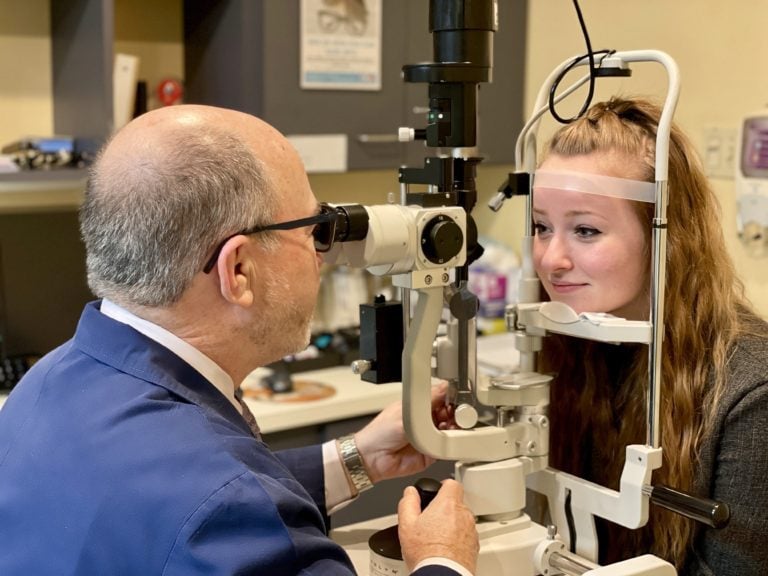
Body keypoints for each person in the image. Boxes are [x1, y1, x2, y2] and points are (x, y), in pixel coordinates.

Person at [0, 105, 479, 575]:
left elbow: (177, 504)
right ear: (239, 270)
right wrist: (443, 558)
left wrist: (356, 458)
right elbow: (221, 505)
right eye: (314, 231)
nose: (323, 255)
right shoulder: (224, 504)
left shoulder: (46, 383)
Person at [530, 97, 768, 574]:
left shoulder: (750, 391)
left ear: (665, 235)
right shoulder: (573, 341)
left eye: (585, 230)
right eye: (540, 227)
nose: (551, 259)